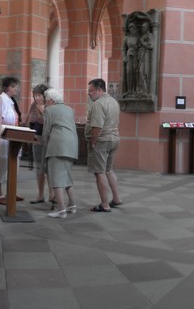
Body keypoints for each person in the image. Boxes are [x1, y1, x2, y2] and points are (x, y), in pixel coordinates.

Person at [40, 88, 79, 218]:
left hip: (57, 145)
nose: (45, 103)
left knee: (56, 177)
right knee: (67, 177)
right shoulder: (69, 109)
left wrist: (43, 140)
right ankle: (72, 205)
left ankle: (61, 209)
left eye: (46, 100)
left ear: (51, 100)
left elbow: (47, 129)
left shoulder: (49, 110)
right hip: (71, 144)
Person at [86, 78, 123, 212]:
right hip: (114, 139)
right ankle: (116, 198)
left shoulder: (98, 104)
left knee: (99, 172)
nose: (89, 94)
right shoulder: (114, 101)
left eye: (91, 91)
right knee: (108, 170)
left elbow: (97, 127)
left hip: (102, 141)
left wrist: (92, 142)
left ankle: (104, 204)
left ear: (99, 90)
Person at [0, 76, 22, 204]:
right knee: (1, 167)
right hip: (3, 138)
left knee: (13, 166)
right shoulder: (0, 100)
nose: (16, 89)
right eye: (13, 86)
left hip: (13, 138)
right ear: (7, 88)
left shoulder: (11, 101)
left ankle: (10, 192)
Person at [26, 84, 49, 205]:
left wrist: (43, 112)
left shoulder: (50, 105)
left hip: (48, 139)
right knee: (39, 167)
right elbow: (29, 119)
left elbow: (50, 121)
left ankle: (53, 195)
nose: (37, 98)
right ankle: (40, 195)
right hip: (36, 137)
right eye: (35, 95)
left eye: (39, 95)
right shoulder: (33, 105)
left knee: (49, 168)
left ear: (44, 95)